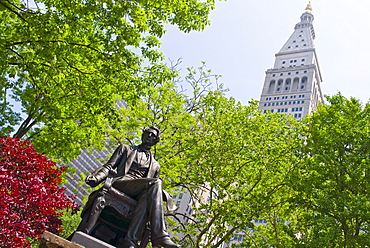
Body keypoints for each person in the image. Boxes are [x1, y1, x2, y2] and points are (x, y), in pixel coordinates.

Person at [84, 127, 180, 248]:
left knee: (147, 198)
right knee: (156, 183)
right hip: (121, 182)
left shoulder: (156, 165)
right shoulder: (125, 148)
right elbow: (109, 166)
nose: (149, 136)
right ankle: (160, 236)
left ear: (156, 141)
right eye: (148, 133)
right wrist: (96, 178)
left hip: (139, 192)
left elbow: (152, 191)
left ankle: (130, 242)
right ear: (143, 135)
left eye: (153, 136)